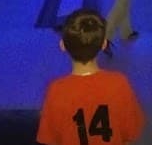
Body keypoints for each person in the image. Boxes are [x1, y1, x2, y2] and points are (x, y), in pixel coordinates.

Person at [37, 8, 145, 145]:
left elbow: (50, 139)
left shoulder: (56, 90)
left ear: (62, 46)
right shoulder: (119, 83)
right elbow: (130, 133)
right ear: (104, 44)